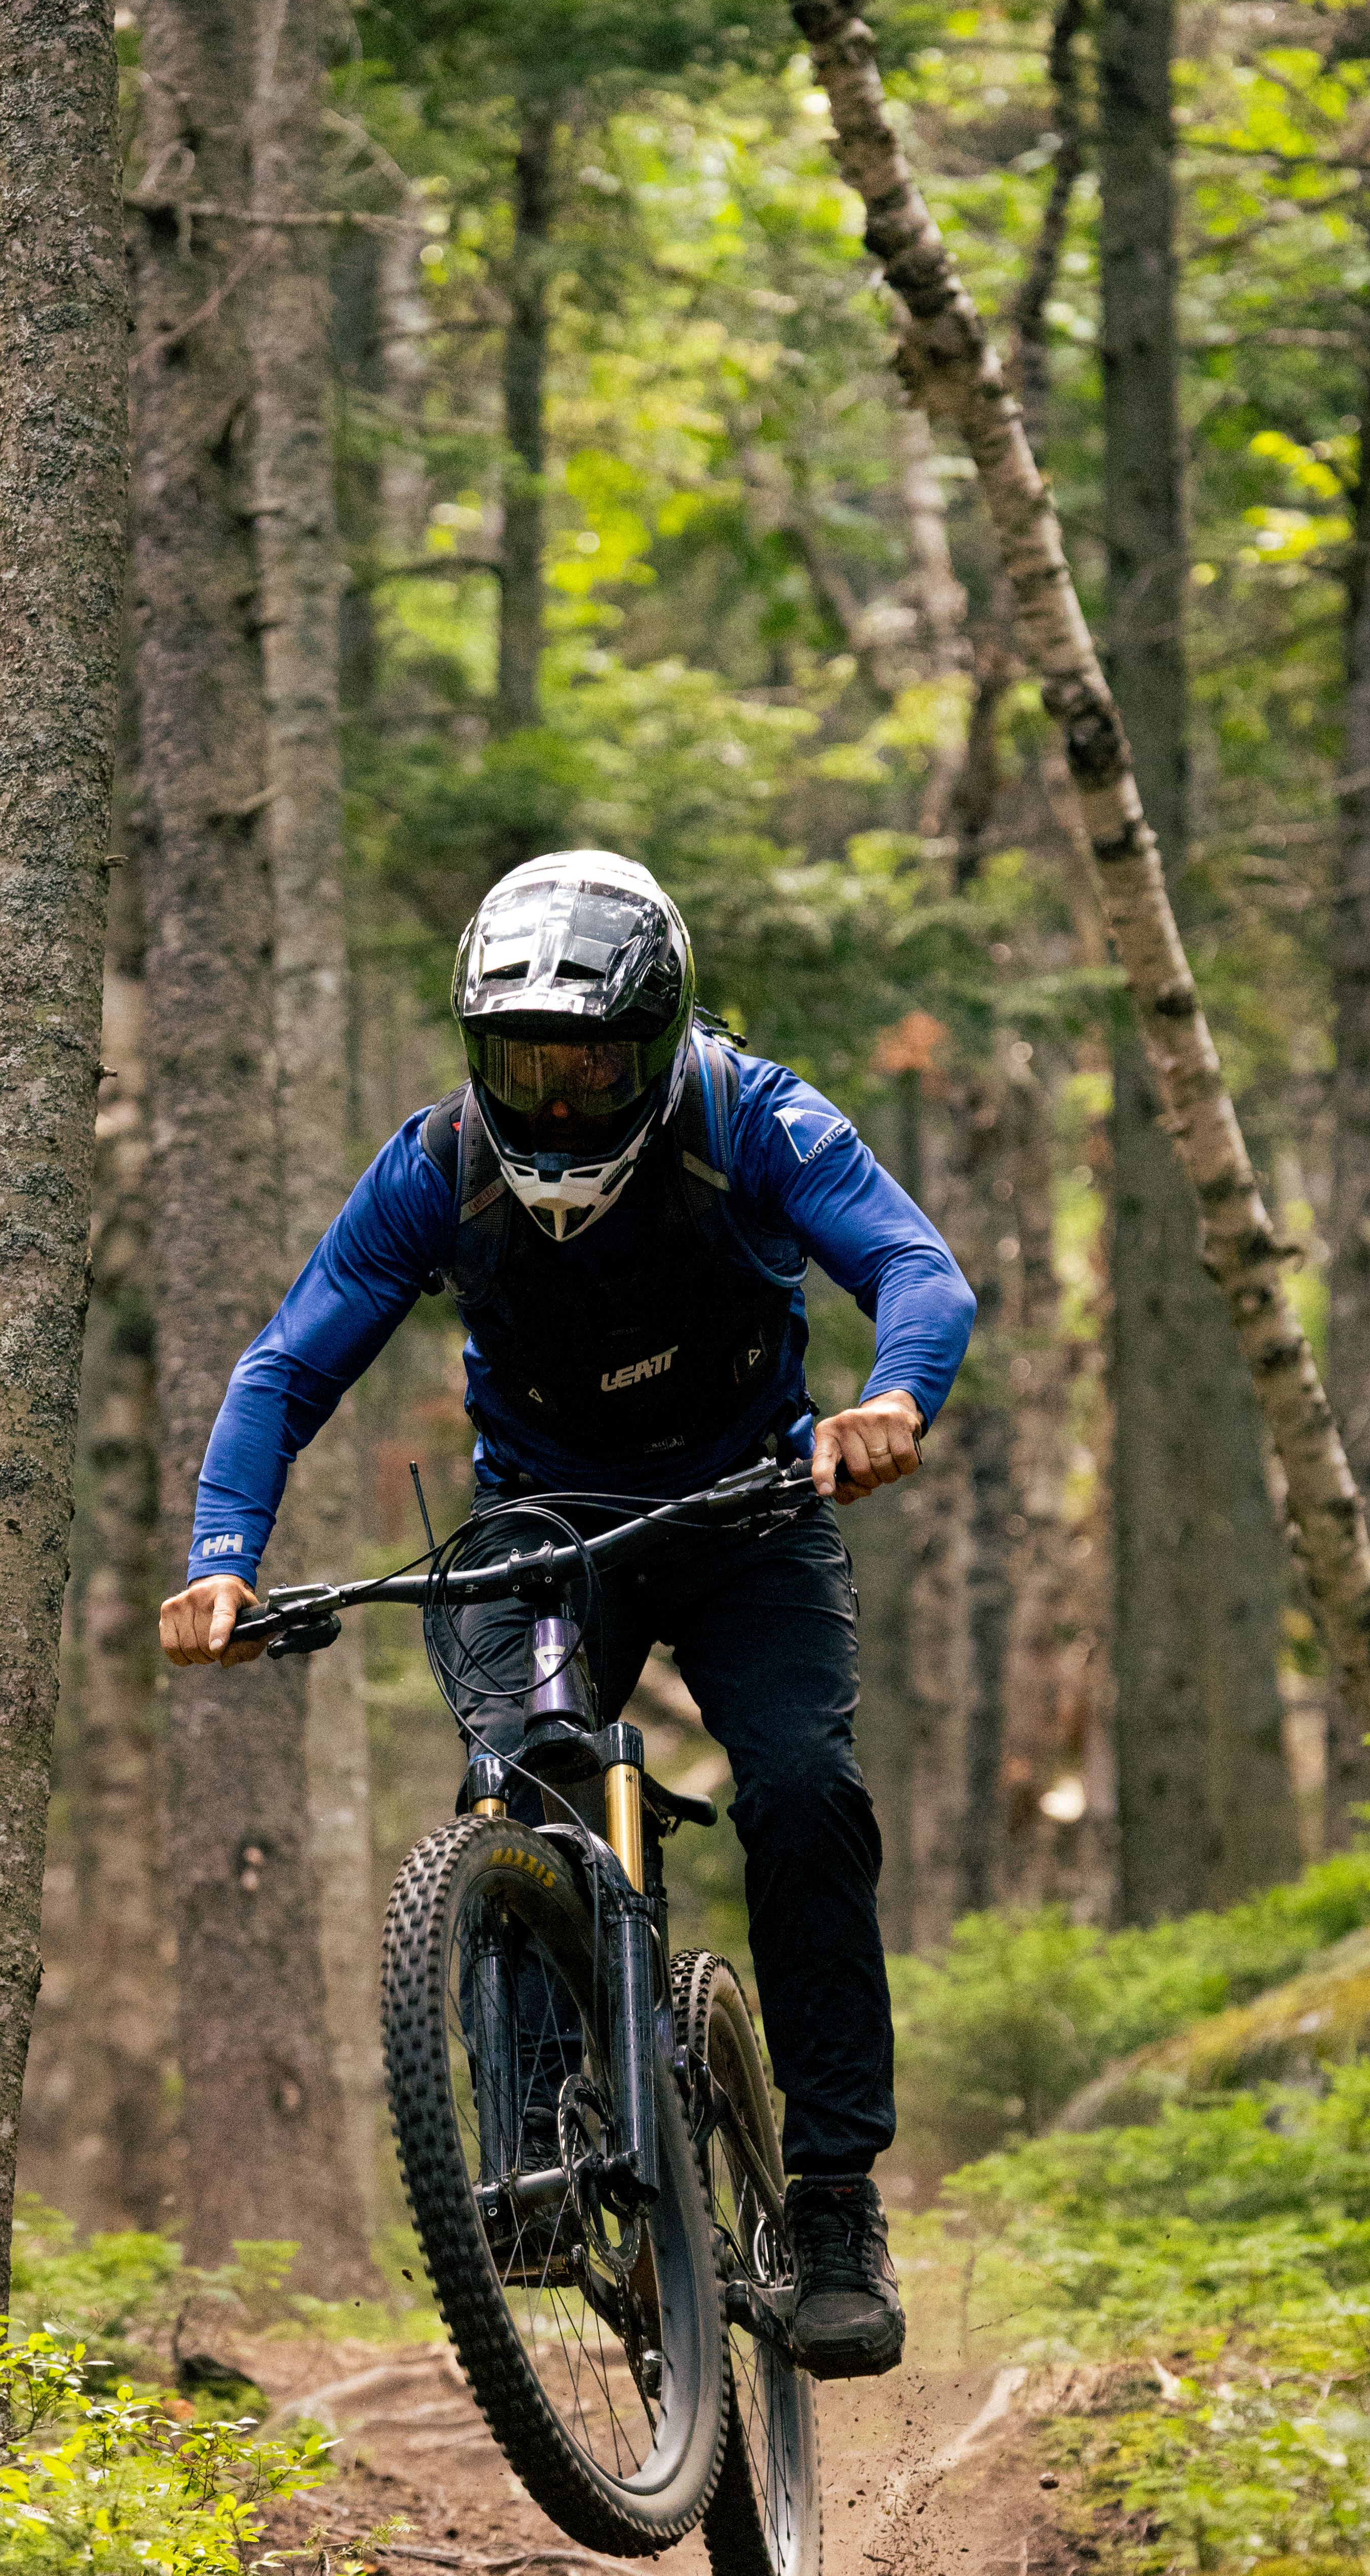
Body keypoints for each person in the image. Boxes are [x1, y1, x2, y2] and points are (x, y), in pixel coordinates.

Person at [158, 847, 975, 2379]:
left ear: (659, 1049)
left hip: (749, 1513)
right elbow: (288, 1366)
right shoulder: (438, 1166)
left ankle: (835, 2205)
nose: (558, 1100)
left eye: (594, 1064)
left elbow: (919, 1273)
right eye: (525, 1064)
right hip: (545, 1531)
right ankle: (535, 2139)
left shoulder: (754, 1117)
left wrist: (893, 1400)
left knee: (806, 1793)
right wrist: (222, 1555)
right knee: (521, 1778)